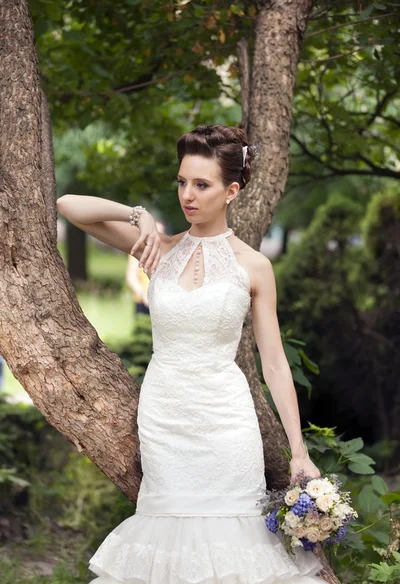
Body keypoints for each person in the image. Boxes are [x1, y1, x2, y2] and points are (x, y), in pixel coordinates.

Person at [57, 124, 325, 584]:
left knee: (235, 546)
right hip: (164, 419)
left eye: (202, 184)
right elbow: (68, 207)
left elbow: (275, 363)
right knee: (168, 543)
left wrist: (298, 452)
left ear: (232, 191)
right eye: (182, 182)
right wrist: (137, 214)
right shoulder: (157, 248)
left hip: (226, 423)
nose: (188, 195)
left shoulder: (254, 266)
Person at [125, 220, 166, 316]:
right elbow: (131, 277)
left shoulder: (167, 253)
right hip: (143, 302)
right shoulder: (138, 252)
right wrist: (144, 295)